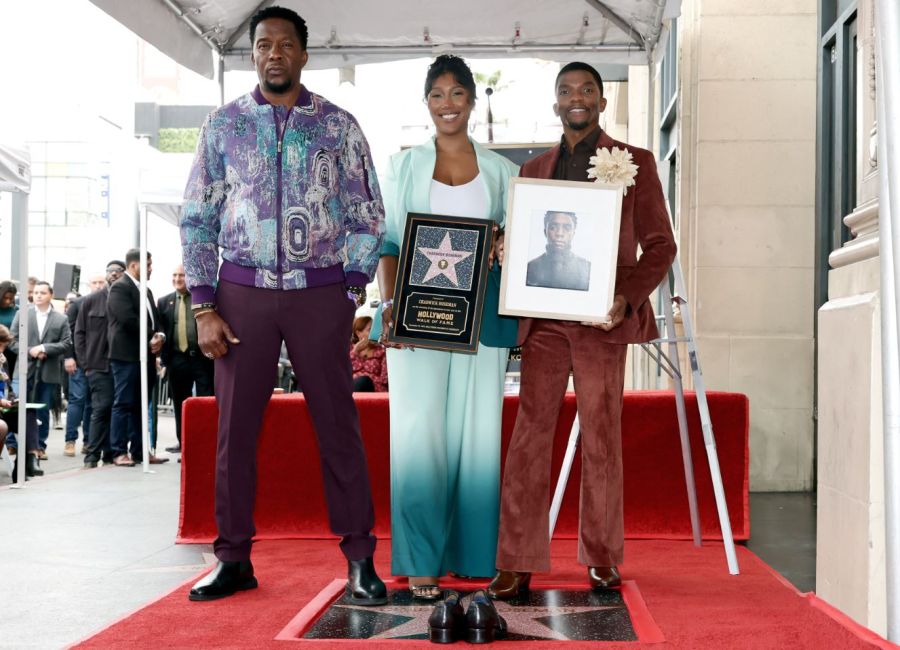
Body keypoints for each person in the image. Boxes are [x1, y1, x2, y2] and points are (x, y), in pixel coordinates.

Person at [180, 6, 387, 604]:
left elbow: (366, 213)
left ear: (303, 53)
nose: (274, 53)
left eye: (285, 44)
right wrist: (203, 304)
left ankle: (358, 556)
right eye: (264, 44)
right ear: (254, 55)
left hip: (320, 293)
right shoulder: (223, 127)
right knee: (233, 433)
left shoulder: (339, 126)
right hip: (239, 295)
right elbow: (198, 216)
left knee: (338, 427)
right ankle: (233, 557)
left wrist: (350, 289)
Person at [487, 62, 677, 598]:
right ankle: (516, 560)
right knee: (528, 438)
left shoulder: (634, 163)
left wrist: (626, 298)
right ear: (555, 104)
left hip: (601, 323)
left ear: (600, 101)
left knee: (602, 438)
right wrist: (507, 248)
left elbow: (661, 246)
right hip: (544, 323)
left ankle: (601, 558)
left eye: (587, 90)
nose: (578, 98)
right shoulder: (533, 170)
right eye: (567, 90)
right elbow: (521, 242)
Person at [375, 54, 519, 599]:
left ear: (472, 102)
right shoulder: (402, 166)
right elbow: (389, 242)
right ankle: (421, 564)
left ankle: (476, 554)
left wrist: (503, 245)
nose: (448, 104)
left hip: (482, 322)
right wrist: (391, 311)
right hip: (417, 321)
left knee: (478, 435)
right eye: (437, 94)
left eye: (458, 93)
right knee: (418, 436)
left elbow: (516, 241)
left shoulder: (505, 172)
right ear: (426, 102)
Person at [106, 249, 169, 467]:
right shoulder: (120, 288)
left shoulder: (147, 291)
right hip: (126, 356)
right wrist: (152, 336)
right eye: (148, 265)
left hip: (146, 357)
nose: (151, 269)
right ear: (135, 266)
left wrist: (159, 335)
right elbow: (127, 320)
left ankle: (141, 451)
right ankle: (119, 451)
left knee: (142, 404)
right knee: (124, 403)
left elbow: (156, 319)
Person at [9, 281, 72, 459]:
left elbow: (66, 343)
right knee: (17, 406)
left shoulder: (61, 319)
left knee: (42, 409)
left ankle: (39, 446)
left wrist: (44, 348)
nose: (38, 296)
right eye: (36, 292)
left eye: (42, 293)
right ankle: (13, 444)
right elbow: (12, 341)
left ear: (50, 294)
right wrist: (30, 350)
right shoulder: (22, 314)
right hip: (23, 369)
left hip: (48, 371)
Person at [157, 264, 214, 453]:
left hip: (201, 359)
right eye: (174, 275)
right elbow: (161, 330)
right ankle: (184, 444)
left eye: (181, 275)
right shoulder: (164, 302)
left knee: (206, 400)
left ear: (189, 277)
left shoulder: (201, 299)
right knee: (180, 403)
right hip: (176, 360)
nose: (177, 279)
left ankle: (205, 443)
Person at [74, 261, 125, 468]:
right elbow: (79, 333)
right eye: (110, 272)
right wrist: (86, 364)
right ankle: (92, 455)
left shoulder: (128, 299)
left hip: (122, 364)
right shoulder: (90, 301)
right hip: (97, 366)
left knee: (118, 408)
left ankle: (110, 452)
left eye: (117, 272)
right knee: (101, 408)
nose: (113, 275)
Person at [0, 324, 43, 480]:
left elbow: (8, 388)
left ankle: (29, 460)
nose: (2, 350)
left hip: (3, 410)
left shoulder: (2, 362)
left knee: (27, 412)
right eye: (0, 346)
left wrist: (12, 399)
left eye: (3, 346)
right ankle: (28, 464)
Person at [525, 210, 591, 291]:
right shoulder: (530, 268)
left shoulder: (587, 268)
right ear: (545, 232)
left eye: (567, 228)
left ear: (573, 233)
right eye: (553, 227)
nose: (559, 234)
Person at [349, 316, 387, 392]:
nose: (375, 333)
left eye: (376, 330)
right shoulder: (348, 349)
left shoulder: (382, 352)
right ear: (358, 333)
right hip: (352, 390)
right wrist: (355, 352)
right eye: (370, 330)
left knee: (364, 381)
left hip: (375, 391)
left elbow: (384, 380)